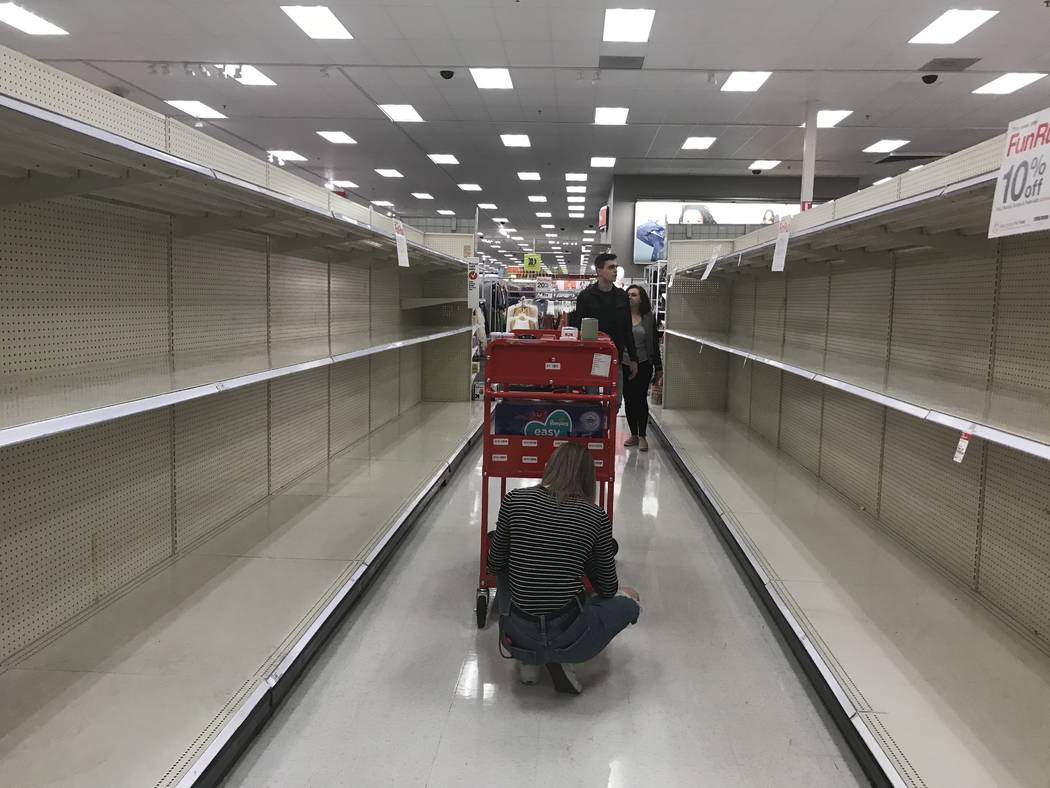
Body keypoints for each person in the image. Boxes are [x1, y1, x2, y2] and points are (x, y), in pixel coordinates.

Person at [487, 444, 641, 695]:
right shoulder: (595, 517)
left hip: (515, 634)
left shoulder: (514, 500)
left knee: (503, 560)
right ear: (588, 477)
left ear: (550, 467)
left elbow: (494, 565)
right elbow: (607, 587)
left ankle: (528, 660)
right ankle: (559, 656)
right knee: (630, 599)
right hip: (572, 638)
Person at [570, 252, 639, 406]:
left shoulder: (622, 297)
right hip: (592, 358)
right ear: (599, 271)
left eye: (616, 266)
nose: (615, 270)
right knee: (592, 403)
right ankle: (594, 429)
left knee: (615, 403)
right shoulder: (586, 297)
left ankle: (609, 429)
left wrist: (634, 359)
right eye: (611, 267)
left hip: (616, 357)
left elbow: (628, 329)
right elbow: (577, 329)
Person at [622, 285, 662, 452]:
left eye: (634, 294)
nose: (630, 297)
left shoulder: (648, 317)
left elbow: (653, 343)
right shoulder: (621, 316)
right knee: (629, 400)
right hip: (624, 363)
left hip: (644, 363)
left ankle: (643, 435)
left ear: (641, 298)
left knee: (640, 399)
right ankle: (633, 434)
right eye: (628, 294)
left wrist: (659, 367)